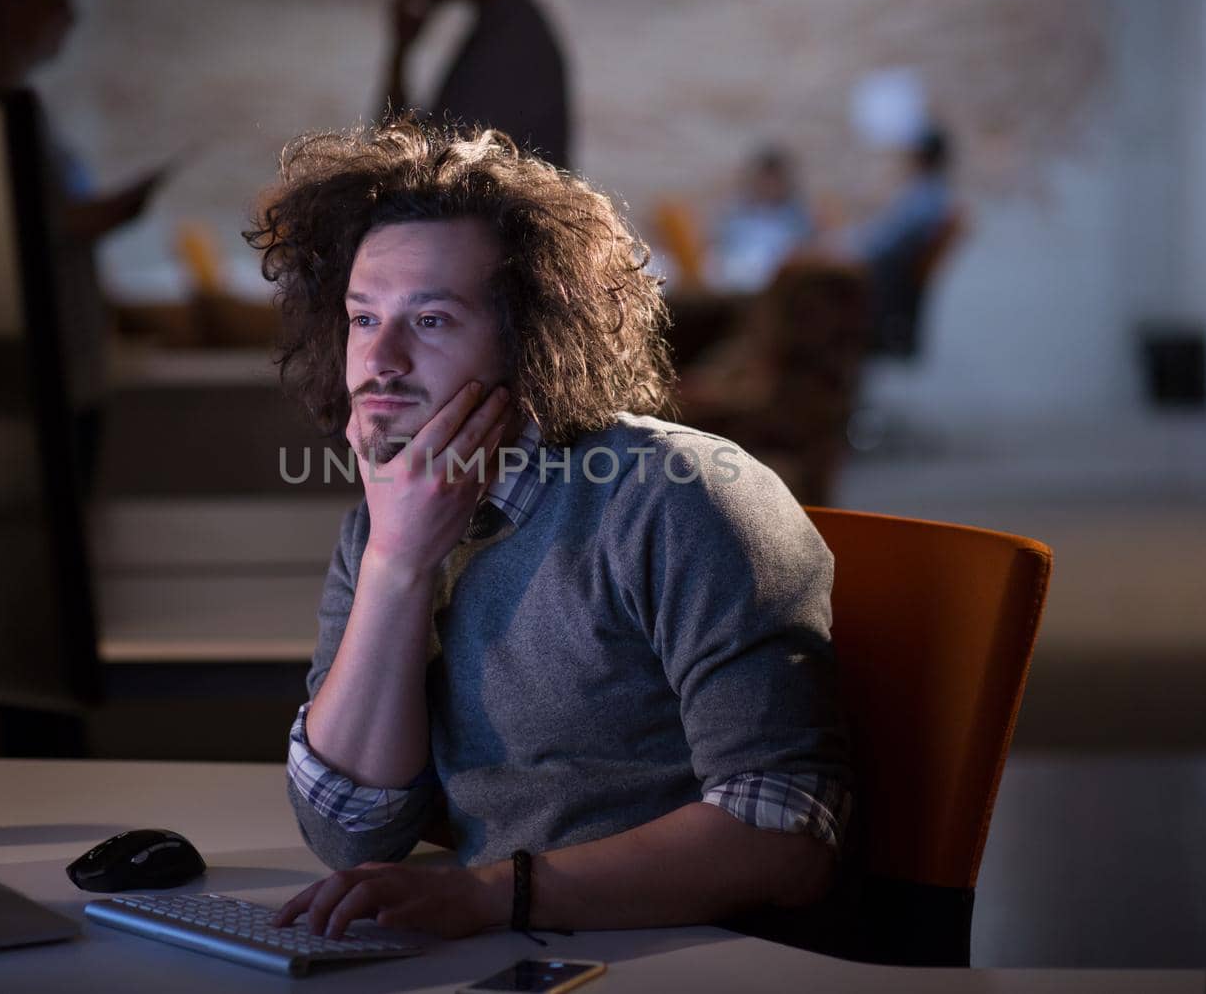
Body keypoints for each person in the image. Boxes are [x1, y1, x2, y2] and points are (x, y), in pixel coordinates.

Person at [245, 123, 851, 941]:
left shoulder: (679, 500)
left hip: (682, 957)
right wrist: (397, 562)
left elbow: (783, 836)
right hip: (505, 950)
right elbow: (348, 828)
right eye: (361, 318)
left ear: (532, 337)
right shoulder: (387, 522)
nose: (378, 361)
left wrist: (488, 895)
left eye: (429, 321)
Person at [0, 0, 168, 489]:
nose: (70, 17)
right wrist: (103, 217)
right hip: (42, 379)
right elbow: (16, 232)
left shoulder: (21, 111)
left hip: (61, 373)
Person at [381, 0, 571, 169]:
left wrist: (400, 54)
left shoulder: (510, 47)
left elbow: (417, 166)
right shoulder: (510, 30)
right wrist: (401, 50)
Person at [841, 126, 955, 355]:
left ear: (920, 157)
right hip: (884, 278)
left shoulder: (925, 197)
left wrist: (845, 245)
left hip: (880, 281)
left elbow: (885, 241)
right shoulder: (930, 194)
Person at [712, 146, 816, 294]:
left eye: (775, 181)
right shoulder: (736, 215)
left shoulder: (798, 217)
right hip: (739, 288)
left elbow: (807, 252)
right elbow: (722, 252)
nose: (769, 186)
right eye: (765, 180)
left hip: (786, 290)